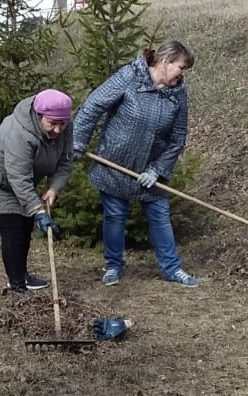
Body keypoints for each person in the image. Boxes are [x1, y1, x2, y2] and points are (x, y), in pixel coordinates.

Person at [71, 40, 199, 287]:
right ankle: (113, 266)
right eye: (181, 68)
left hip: (150, 170)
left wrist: (158, 169)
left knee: (160, 216)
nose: (183, 75)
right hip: (114, 164)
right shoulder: (131, 76)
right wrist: (78, 142)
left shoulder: (178, 93)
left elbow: (178, 137)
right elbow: (92, 106)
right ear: (165, 61)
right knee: (115, 216)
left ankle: (172, 269)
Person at [0, 88, 74, 294]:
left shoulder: (65, 127)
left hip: (17, 180)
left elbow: (65, 162)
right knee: (14, 226)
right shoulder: (20, 133)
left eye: (62, 124)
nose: (57, 130)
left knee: (25, 222)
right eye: (52, 123)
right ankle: (16, 285)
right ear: (39, 115)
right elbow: (19, 177)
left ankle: (21, 275)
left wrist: (54, 188)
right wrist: (38, 210)